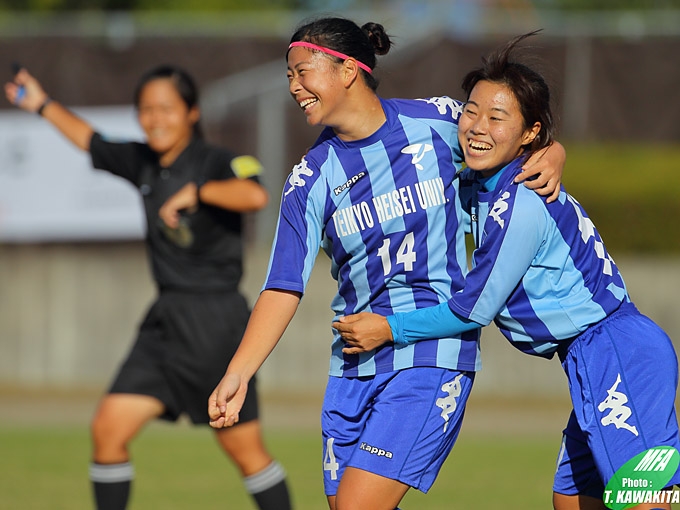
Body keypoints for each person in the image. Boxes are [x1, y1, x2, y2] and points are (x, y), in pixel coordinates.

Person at [208, 18, 565, 510]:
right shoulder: (310, 178)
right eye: (288, 75)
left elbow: (509, 126)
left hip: (430, 355)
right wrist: (239, 373)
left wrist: (552, 150)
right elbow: (282, 286)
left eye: (302, 71)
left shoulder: (438, 121)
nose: (294, 86)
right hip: (353, 364)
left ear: (349, 70)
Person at [333, 31, 680, 510]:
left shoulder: (520, 200)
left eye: (498, 117)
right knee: (572, 497)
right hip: (587, 357)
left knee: (645, 497)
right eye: (471, 111)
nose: (477, 125)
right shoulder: (486, 176)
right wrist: (554, 149)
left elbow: (474, 309)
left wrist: (388, 329)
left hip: (616, 350)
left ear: (529, 133)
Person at [4, 65, 292, 510]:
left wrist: (199, 192)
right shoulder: (143, 162)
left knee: (245, 451)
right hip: (163, 323)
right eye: (145, 110)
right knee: (108, 430)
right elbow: (90, 139)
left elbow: (254, 195)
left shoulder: (215, 160)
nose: (154, 118)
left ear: (192, 112)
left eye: (166, 109)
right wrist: (40, 104)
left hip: (214, 323)